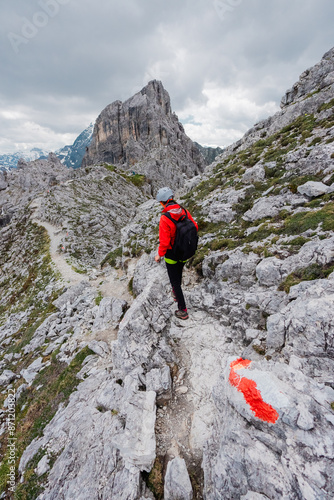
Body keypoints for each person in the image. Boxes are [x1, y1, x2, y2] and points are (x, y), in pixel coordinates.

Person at [155, 187, 198, 320]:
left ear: (162, 202)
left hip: (172, 254)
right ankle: (175, 292)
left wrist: (159, 255)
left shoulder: (165, 218)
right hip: (185, 251)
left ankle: (182, 310)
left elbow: (164, 242)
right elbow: (195, 226)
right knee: (178, 272)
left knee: (174, 281)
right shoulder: (183, 210)